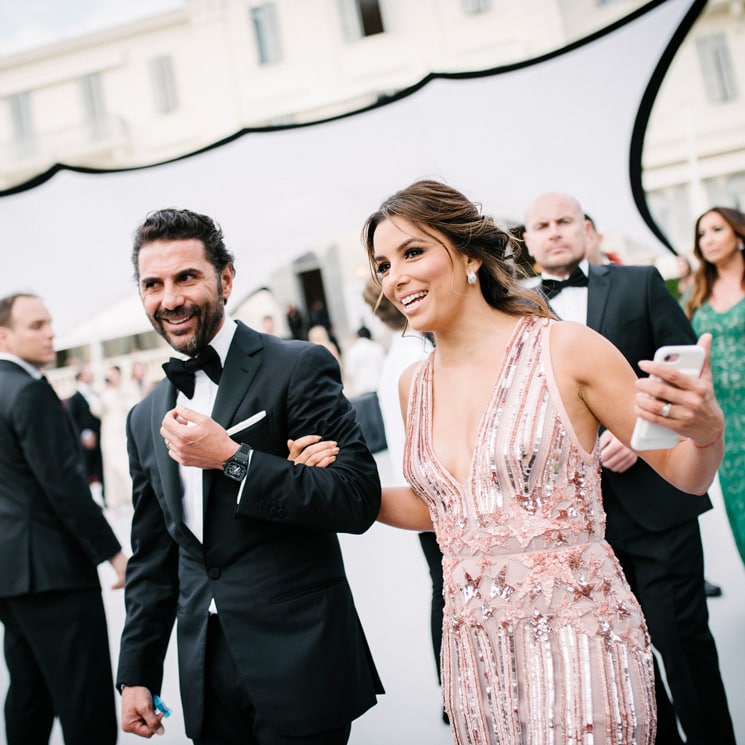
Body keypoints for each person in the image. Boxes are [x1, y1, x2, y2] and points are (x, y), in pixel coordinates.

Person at [359, 180, 724, 744]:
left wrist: (706, 434)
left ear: (470, 257)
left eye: (413, 252)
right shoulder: (415, 384)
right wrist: (316, 491)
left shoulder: (567, 347)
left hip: (579, 641)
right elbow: (443, 509)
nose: (395, 277)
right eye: (383, 264)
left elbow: (683, 472)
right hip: (475, 653)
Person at [116, 208, 383, 744]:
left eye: (186, 277)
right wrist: (136, 674)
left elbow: (355, 500)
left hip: (302, 656)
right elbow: (153, 556)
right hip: (206, 668)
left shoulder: (298, 366)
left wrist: (232, 458)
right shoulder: (143, 417)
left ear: (226, 278)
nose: (170, 299)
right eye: (153, 284)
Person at [522, 192, 735, 745]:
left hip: (656, 502)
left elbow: (688, 376)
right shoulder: (516, 312)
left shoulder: (639, 284)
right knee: (622, 662)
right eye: (541, 225)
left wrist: (641, 438)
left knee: (683, 643)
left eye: (564, 221)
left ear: (587, 229)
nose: (554, 232)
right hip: (574, 526)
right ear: (527, 241)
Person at [0, 293, 127, 745]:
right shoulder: (31, 391)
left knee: (30, 693)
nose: (50, 332)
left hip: (11, 576)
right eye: (35, 325)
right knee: (85, 699)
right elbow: (65, 485)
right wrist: (114, 553)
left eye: (49, 323)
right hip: (54, 573)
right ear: (4, 335)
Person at [361, 279, 446, 721]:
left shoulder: (400, 353)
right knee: (449, 593)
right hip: (437, 494)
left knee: (443, 589)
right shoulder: (420, 355)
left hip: (417, 486)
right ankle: (453, 689)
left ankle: (449, 691)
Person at [684, 206, 745, 568]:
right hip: (725, 422)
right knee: (741, 513)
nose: (707, 240)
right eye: (701, 234)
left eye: (716, 230)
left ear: (738, 235)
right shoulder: (695, 294)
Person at [99, 364, 140, 511]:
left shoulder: (127, 388)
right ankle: (114, 499)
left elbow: (135, 405)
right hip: (110, 431)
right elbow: (97, 410)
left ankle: (132, 494)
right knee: (111, 465)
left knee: (125, 461)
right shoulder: (105, 392)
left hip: (124, 429)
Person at [66, 362, 106, 507]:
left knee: (101, 467)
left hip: (101, 436)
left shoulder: (93, 392)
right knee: (88, 470)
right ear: (81, 376)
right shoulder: (75, 398)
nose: (91, 375)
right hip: (86, 441)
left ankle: (104, 498)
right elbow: (73, 420)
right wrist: (85, 434)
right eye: (87, 373)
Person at [344, 325, 386, 397]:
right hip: (378, 385)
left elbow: (350, 372)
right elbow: (384, 367)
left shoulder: (352, 351)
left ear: (357, 336)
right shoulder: (378, 347)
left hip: (361, 388)